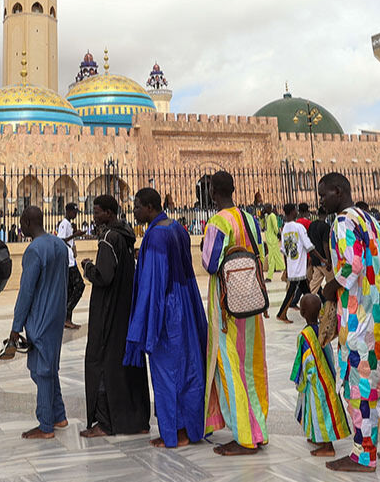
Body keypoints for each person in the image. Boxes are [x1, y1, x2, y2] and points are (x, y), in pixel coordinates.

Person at [317, 172, 380, 473]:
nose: (320, 200)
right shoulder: (369, 219)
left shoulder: (342, 222)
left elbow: (353, 265)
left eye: (324, 194)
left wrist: (328, 288)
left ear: (338, 191)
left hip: (359, 317)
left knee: (360, 384)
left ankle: (364, 455)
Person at [124, 187, 206, 448]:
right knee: (187, 367)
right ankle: (191, 428)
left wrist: (146, 321)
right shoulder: (177, 228)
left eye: (137, 206)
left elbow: (153, 283)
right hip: (184, 304)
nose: (134, 211)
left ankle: (176, 432)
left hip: (167, 310)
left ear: (149, 207)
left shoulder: (157, 235)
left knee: (167, 371)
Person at [200, 170, 269, 456]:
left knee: (230, 368)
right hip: (251, 301)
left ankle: (244, 436)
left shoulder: (217, 222)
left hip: (227, 307)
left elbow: (210, 263)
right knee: (252, 368)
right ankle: (258, 429)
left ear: (214, 192)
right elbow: (261, 255)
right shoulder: (251, 219)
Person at [80, 194, 149, 438]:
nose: (95, 216)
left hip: (109, 311)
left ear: (109, 213)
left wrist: (88, 267)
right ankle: (137, 419)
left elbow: (104, 276)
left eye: (98, 212)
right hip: (126, 309)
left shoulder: (109, 238)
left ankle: (106, 422)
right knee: (127, 364)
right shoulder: (127, 235)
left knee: (103, 363)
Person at [10, 206, 69, 438]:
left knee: (41, 371)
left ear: (26, 222)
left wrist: (16, 327)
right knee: (49, 365)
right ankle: (60, 415)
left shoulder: (34, 250)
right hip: (56, 315)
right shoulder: (59, 245)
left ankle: (45, 425)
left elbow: (26, 292)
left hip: (41, 316)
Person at [290, 293, 349, 456]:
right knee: (319, 411)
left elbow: (302, 360)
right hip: (327, 378)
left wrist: (300, 379)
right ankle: (318, 437)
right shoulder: (323, 330)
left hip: (315, 381)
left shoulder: (304, 335)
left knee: (320, 412)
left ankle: (328, 446)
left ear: (301, 312)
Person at [276, 203, 320, 322]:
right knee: (292, 293)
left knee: (306, 291)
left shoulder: (285, 228)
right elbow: (309, 246)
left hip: (292, 265)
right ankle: (281, 313)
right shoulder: (299, 227)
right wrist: (322, 259)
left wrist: (287, 267)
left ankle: (314, 312)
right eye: (295, 210)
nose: (297, 212)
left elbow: (284, 251)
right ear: (292, 212)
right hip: (299, 266)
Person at [58, 202, 83, 329]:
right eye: (74, 212)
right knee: (80, 285)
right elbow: (60, 240)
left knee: (70, 288)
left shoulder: (69, 224)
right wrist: (75, 235)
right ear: (68, 211)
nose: (75, 214)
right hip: (67, 260)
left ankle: (67, 319)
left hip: (70, 258)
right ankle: (67, 313)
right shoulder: (64, 224)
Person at [261, 204, 284, 282]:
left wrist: (278, 234)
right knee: (276, 255)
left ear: (269, 208)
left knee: (271, 257)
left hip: (272, 239)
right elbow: (263, 226)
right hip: (270, 239)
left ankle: (269, 276)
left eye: (265, 208)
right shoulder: (267, 216)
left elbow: (275, 227)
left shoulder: (272, 216)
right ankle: (281, 268)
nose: (264, 209)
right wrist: (262, 217)